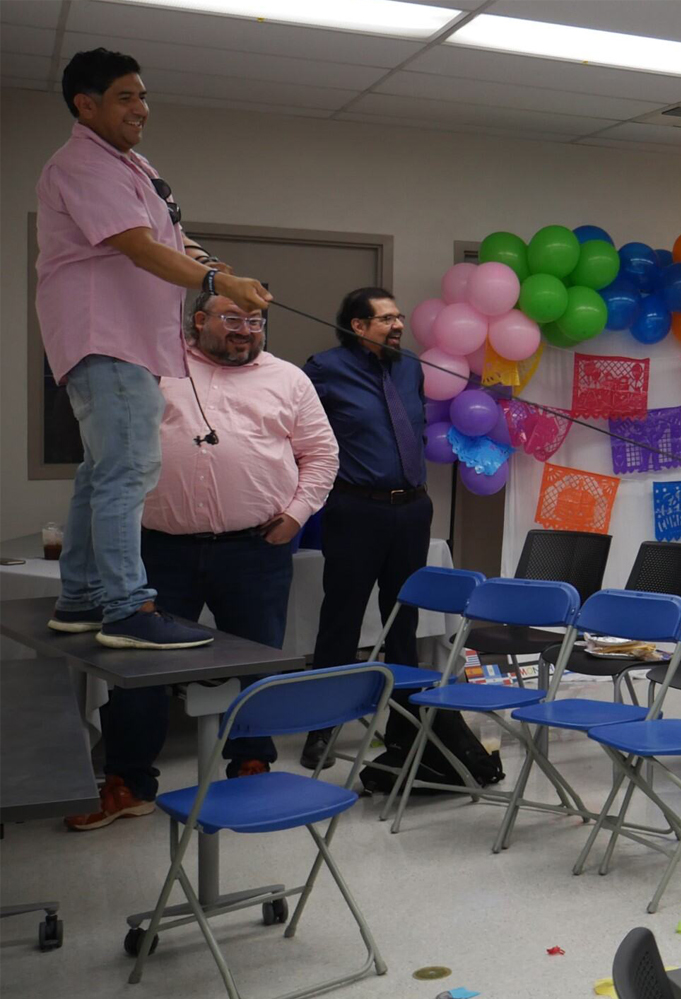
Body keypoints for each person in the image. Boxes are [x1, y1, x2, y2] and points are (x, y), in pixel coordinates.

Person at [65, 292, 340, 830]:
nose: (245, 329)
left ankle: (252, 765)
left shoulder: (288, 379)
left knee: (257, 662)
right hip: (159, 549)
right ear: (198, 320)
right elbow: (112, 446)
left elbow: (322, 454)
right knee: (139, 668)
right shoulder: (154, 370)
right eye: (232, 318)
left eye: (255, 320)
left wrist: (296, 514)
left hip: (255, 549)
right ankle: (129, 782)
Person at [36, 48, 271, 650]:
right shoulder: (83, 164)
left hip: (126, 341)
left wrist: (207, 262)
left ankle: (81, 599)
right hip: (106, 338)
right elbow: (138, 247)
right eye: (125, 97)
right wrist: (216, 283)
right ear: (85, 105)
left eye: (142, 96)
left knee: (100, 473)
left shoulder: (132, 165)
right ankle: (126, 608)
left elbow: (166, 237)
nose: (141, 108)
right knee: (128, 472)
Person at [301, 288, 431, 770]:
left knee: (404, 621)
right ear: (357, 326)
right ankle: (322, 729)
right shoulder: (324, 369)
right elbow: (300, 434)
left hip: (412, 510)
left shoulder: (410, 367)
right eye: (386, 319)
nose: (398, 326)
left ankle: (406, 732)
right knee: (342, 621)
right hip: (356, 509)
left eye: (399, 317)